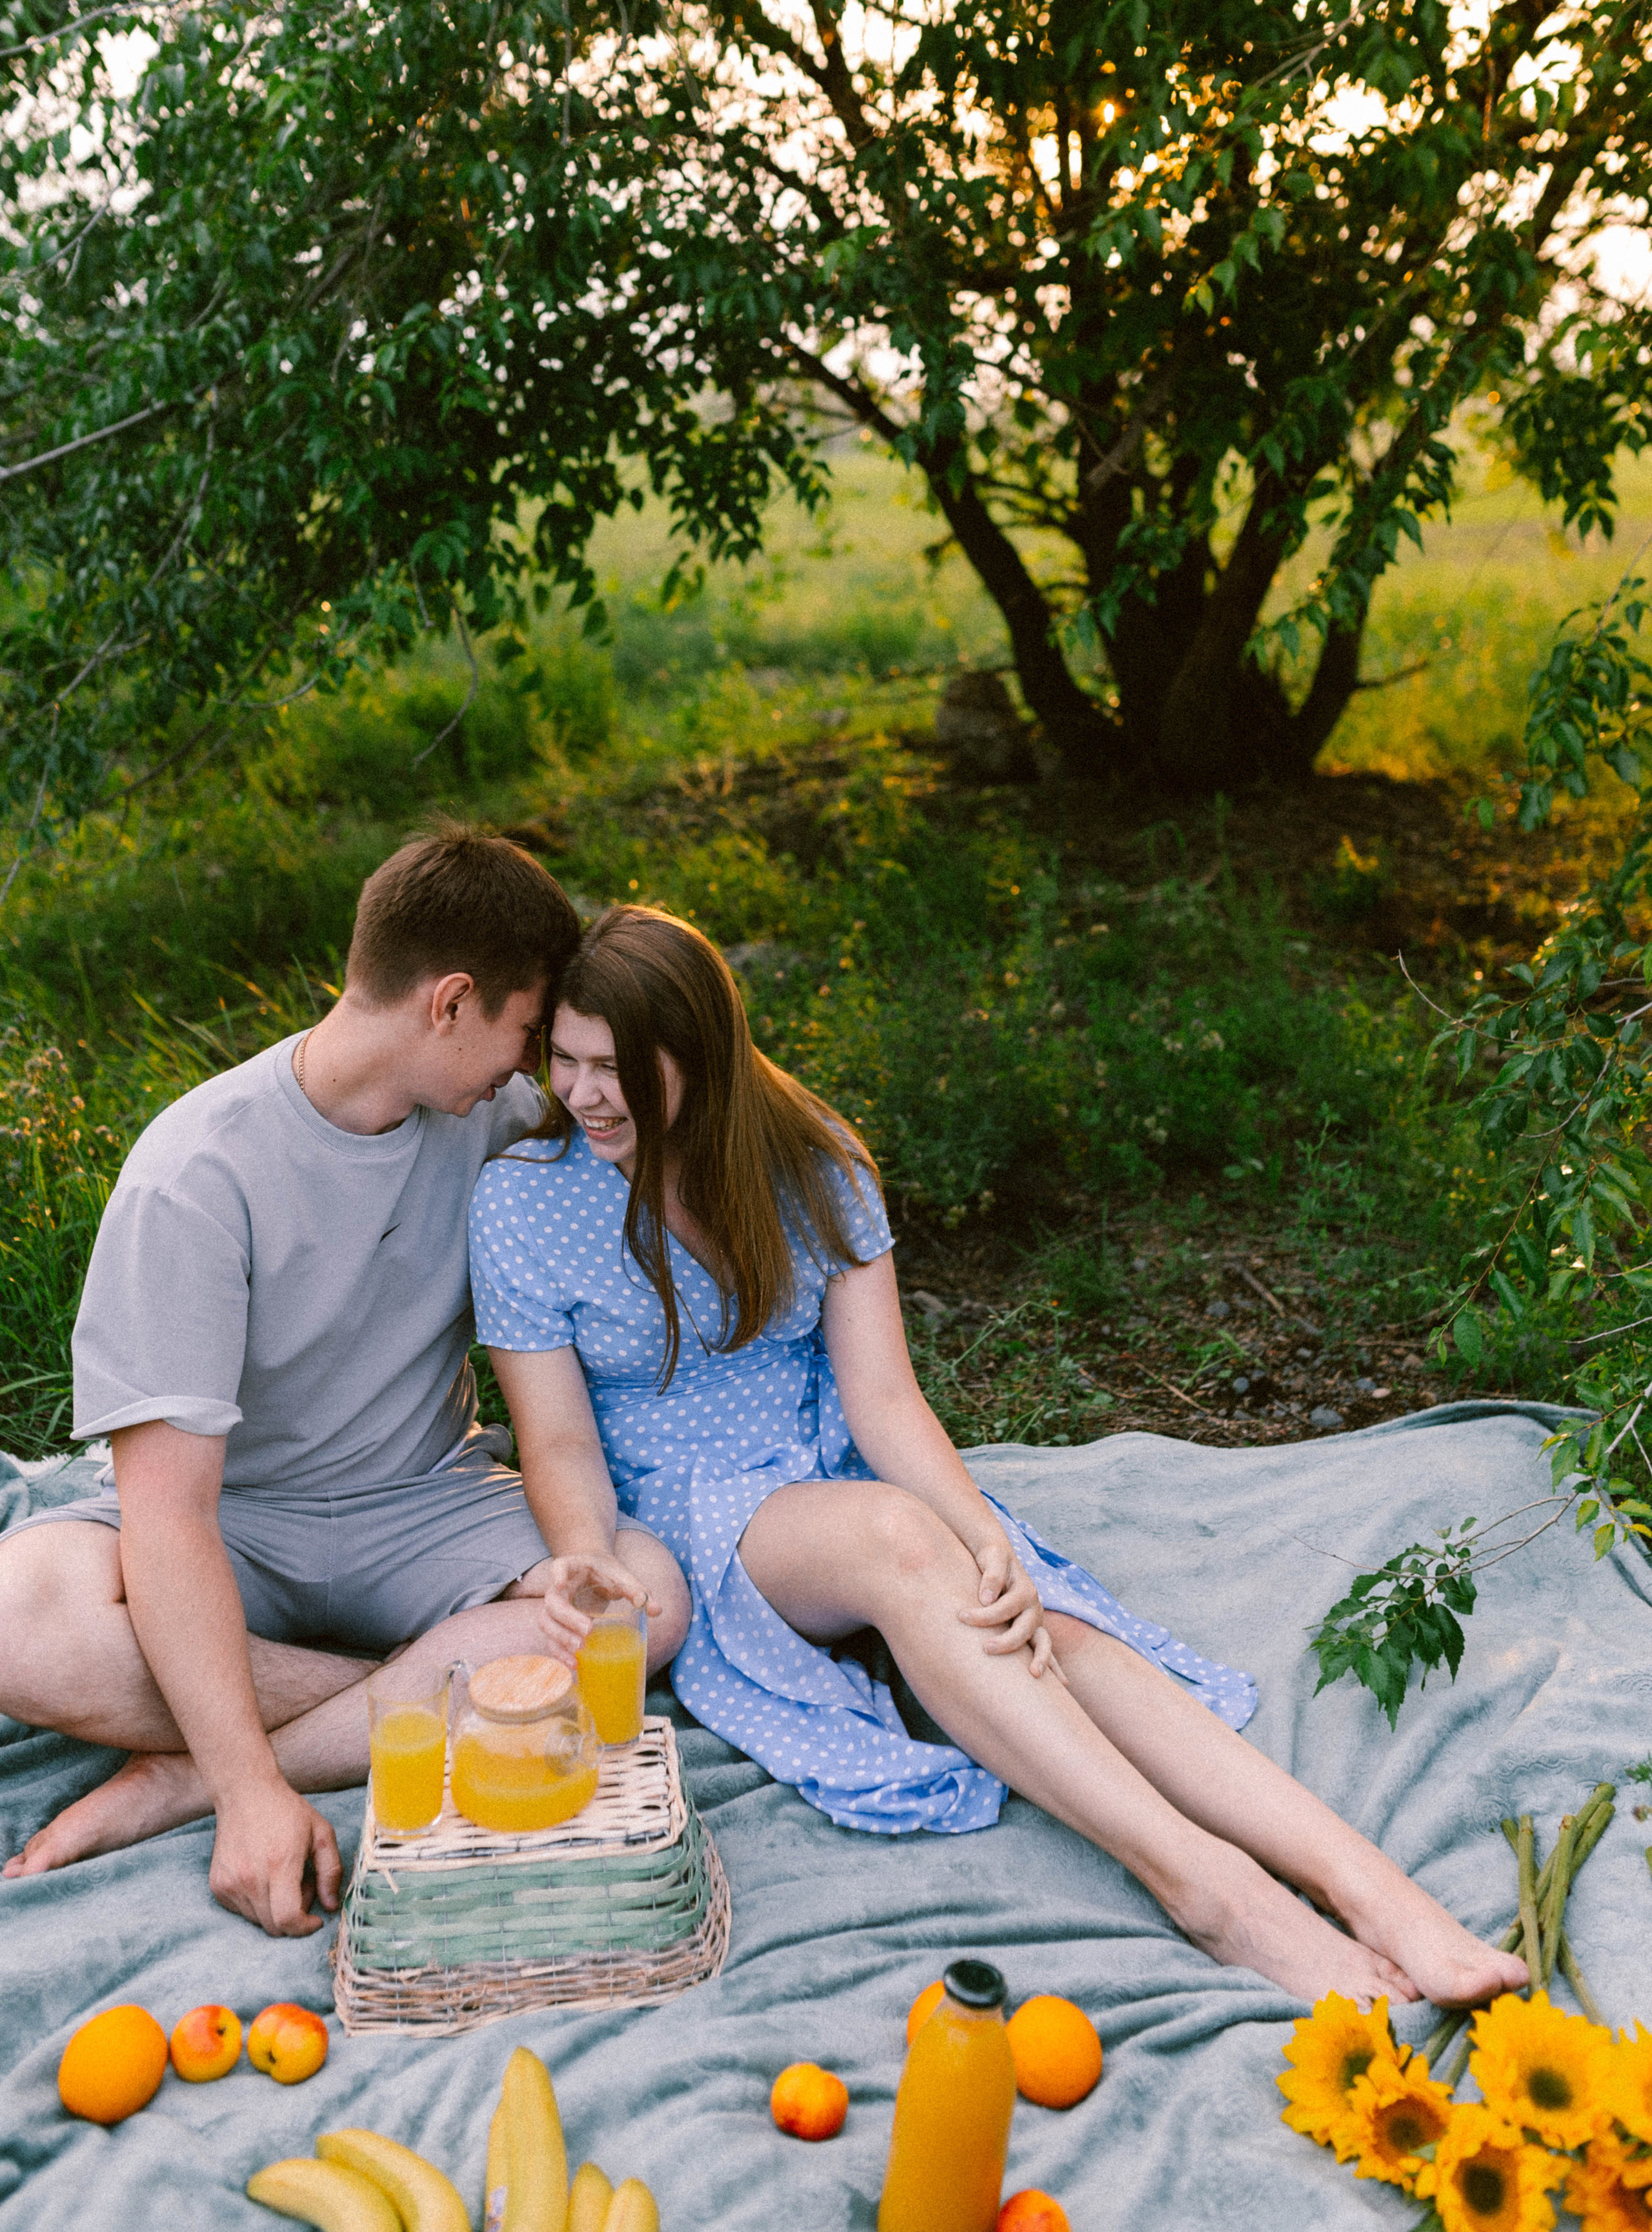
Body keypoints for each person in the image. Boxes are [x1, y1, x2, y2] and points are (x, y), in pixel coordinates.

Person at [468, 903, 1529, 2012]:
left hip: (831, 1462)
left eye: (618, 1068)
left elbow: (882, 1399)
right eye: (569, 1061)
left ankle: (1370, 1886)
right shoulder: (528, 1199)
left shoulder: (809, 1162)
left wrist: (986, 1537)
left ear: (704, 1057)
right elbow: (558, 1438)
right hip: (683, 1504)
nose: (586, 1094)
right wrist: (589, 1553)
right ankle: (1211, 1889)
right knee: (898, 1541)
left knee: (1042, 1626)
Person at [0, 828, 689, 1936]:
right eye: (523, 1035)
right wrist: (252, 1805)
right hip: (239, 1526)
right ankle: (409, 1695)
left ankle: (187, 1766)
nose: (533, 1074)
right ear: (450, 1002)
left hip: (423, 1504)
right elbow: (168, 1516)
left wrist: (228, 1775)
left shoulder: (500, 1125)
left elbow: (670, 1134)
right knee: (14, 1620)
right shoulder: (197, 1173)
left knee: (641, 1602)